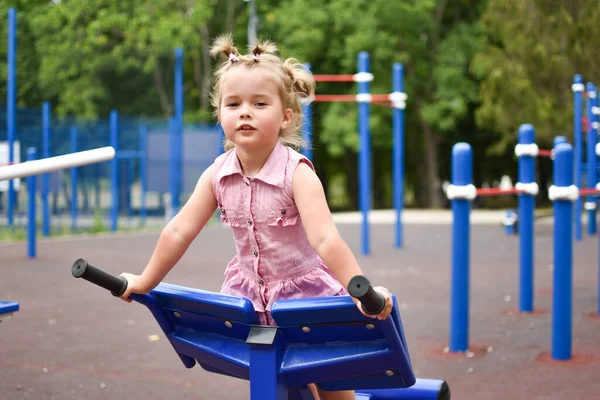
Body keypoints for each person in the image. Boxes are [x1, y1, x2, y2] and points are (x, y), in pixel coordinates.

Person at [118, 34, 393, 400]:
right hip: (252, 300)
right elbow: (180, 229)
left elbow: (325, 239)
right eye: (233, 104)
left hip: (305, 298)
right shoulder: (217, 174)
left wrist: (361, 291)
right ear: (220, 114)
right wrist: (145, 280)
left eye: (259, 103)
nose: (244, 111)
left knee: (331, 388)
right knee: (275, 382)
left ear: (285, 117)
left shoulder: (297, 174)